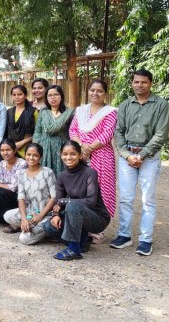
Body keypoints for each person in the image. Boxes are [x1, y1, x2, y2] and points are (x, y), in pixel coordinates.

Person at [110, 69, 169, 256]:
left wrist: (142, 155)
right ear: (132, 83)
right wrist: (127, 155)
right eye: (136, 82)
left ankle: (145, 240)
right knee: (126, 198)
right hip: (127, 155)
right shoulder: (126, 105)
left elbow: (161, 134)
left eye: (143, 82)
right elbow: (118, 132)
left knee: (147, 200)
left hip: (149, 157)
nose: (139, 85)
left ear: (151, 83)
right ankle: (124, 236)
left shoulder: (161, 105)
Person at [43, 141, 110, 261]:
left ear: (80, 155)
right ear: (61, 155)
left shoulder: (90, 173)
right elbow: (58, 201)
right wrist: (55, 215)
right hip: (75, 214)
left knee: (73, 206)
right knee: (49, 226)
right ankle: (83, 241)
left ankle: (74, 249)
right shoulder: (62, 176)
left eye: (73, 154)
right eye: (65, 154)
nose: (68, 157)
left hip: (97, 218)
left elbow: (90, 202)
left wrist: (64, 202)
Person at [69, 79, 117, 239]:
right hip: (80, 155)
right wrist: (82, 146)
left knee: (102, 190)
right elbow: (73, 130)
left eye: (99, 91)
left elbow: (107, 134)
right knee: (81, 189)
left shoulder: (110, 112)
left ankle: (99, 228)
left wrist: (88, 148)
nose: (95, 93)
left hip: (102, 156)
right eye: (92, 90)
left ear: (105, 93)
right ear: (87, 91)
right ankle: (82, 223)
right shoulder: (81, 111)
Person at [3, 143, 57, 244]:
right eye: (28, 154)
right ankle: (29, 226)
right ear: (25, 155)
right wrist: (24, 219)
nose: (31, 158)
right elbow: (21, 199)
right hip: (30, 213)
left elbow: (54, 197)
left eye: (35, 155)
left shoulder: (47, 172)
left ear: (40, 157)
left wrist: (40, 216)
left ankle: (47, 230)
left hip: (46, 214)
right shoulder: (22, 174)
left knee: (24, 239)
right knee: (7, 215)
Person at [33, 85, 73, 175]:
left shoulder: (69, 113)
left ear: (61, 97)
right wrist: (35, 149)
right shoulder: (43, 112)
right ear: (46, 98)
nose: (53, 97)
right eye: (50, 95)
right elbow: (37, 132)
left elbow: (72, 132)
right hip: (44, 149)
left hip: (62, 148)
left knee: (62, 175)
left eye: (56, 94)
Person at [6, 85, 37, 158]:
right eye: (14, 95)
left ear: (25, 96)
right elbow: (7, 131)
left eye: (20, 94)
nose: (16, 97)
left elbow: (38, 133)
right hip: (12, 149)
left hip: (28, 149)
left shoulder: (33, 112)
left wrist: (23, 142)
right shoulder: (9, 112)